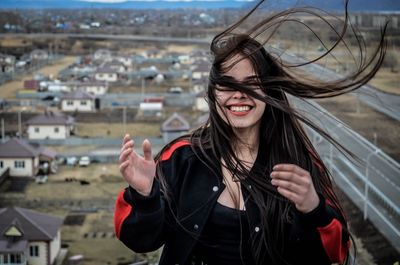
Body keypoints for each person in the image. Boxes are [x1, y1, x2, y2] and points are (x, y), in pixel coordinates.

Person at [114, 1, 386, 264]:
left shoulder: (297, 162)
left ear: (268, 91)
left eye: (252, 83)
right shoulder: (183, 157)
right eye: (227, 85)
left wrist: (312, 209)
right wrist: (145, 196)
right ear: (213, 94)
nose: (238, 95)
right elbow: (139, 241)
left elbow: (335, 253)